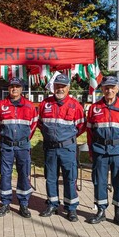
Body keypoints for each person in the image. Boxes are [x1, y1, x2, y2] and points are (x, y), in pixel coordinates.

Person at [86, 76, 119, 228]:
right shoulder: (94, 108)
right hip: (100, 150)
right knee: (99, 182)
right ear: (102, 89)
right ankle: (101, 211)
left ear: (117, 89)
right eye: (106, 87)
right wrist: (91, 151)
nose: (109, 90)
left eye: (112, 87)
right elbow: (89, 131)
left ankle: (118, 213)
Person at [38, 73, 85, 222]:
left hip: (67, 148)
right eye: (57, 86)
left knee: (69, 178)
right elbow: (39, 123)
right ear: (54, 87)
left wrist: (67, 138)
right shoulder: (45, 104)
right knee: (50, 177)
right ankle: (52, 204)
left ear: (68, 88)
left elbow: (81, 126)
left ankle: (71, 208)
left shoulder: (75, 105)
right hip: (50, 148)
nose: (60, 89)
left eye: (63, 86)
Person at [0, 77, 38, 218]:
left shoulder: (29, 106)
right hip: (6, 145)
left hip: (23, 146)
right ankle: (5, 203)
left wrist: (22, 139)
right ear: (8, 88)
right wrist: (6, 136)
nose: (14, 89)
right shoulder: (1, 105)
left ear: (21, 88)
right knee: (5, 174)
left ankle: (23, 204)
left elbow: (33, 125)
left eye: (17, 86)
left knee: (24, 175)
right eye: (12, 86)